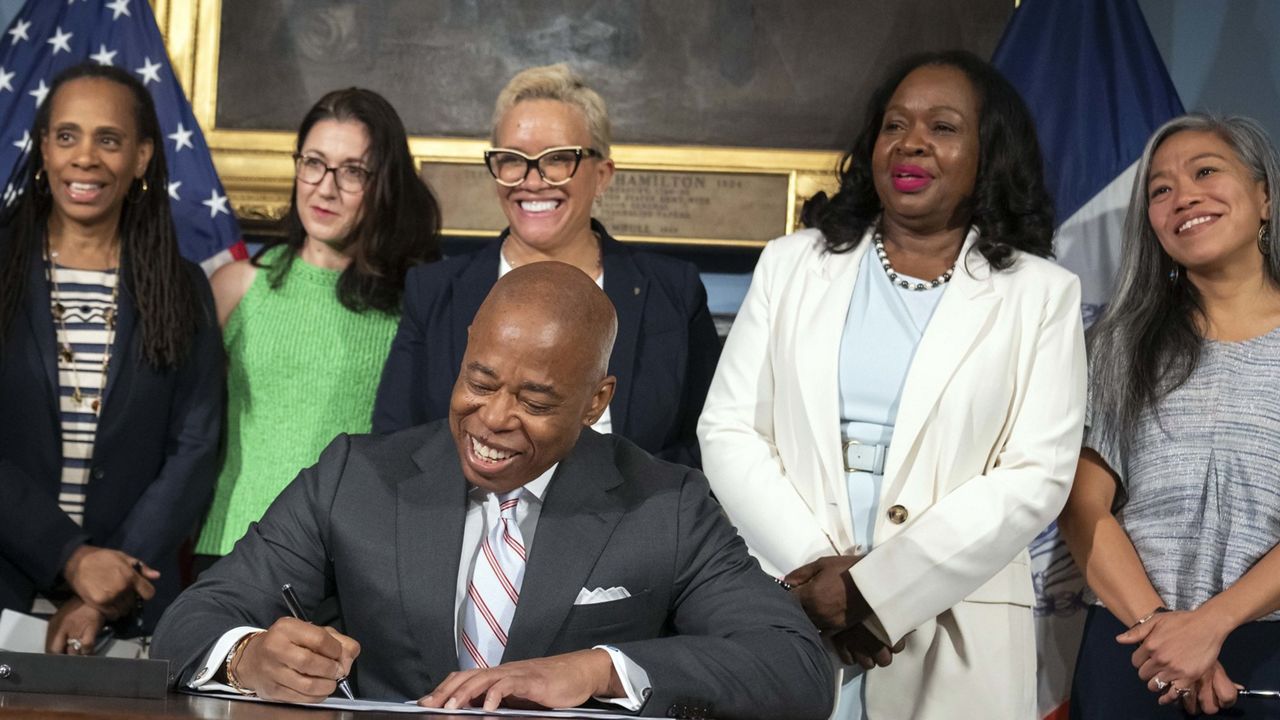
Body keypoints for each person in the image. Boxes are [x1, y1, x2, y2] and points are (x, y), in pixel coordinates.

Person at [151, 262, 832, 719]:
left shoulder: (668, 505)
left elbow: (797, 667)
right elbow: (190, 621)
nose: (494, 417)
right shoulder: (355, 476)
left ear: (597, 401)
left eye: (535, 400)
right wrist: (248, 657)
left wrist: (600, 669)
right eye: (480, 380)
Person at [697, 50, 1087, 719]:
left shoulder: (1041, 293)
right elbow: (728, 428)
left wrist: (882, 588)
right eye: (894, 125)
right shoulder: (792, 264)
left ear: (988, 153)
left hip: (955, 618)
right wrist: (818, 573)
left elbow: (1037, 474)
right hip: (793, 605)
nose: (911, 143)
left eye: (943, 127)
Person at [372, 63, 719, 467]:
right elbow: (395, 446)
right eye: (511, 159)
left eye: (557, 159)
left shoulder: (673, 291)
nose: (532, 180)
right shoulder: (434, 291)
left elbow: (705, 445)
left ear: (603, 174)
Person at [1060, 114, 1280, 719]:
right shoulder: (1115, 343)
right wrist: (1165, 633)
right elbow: (1084, 509)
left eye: (1206, 171)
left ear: (1264, 196)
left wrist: (1210, 626)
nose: (1182, 196)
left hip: (1265, 649)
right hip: (1133, 645)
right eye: (1160, 190)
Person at [0, 64, 221, 651]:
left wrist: (106, 581)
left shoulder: (181, 286)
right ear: (43, 146)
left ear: (142, 156)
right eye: (67, 135)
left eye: (110, 138)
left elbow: (194, 449)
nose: (85, 157)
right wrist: (69, 558)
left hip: (130, 605)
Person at [193, 88, 441, 568]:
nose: (325, 188)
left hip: (351, 562)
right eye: (314, 163)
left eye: (352, 171)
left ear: (385, 183)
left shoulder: (416, 303)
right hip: (232, 548)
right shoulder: (237, 286)